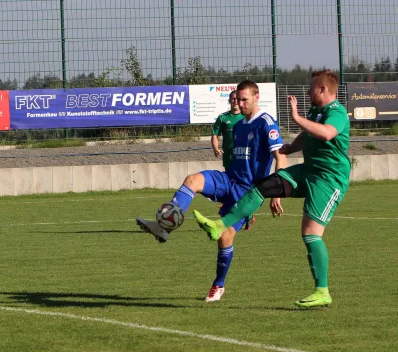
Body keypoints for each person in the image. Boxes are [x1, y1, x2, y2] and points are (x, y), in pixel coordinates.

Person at [193, 70, 350, 308]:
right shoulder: (316, 112)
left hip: (329, 180)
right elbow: (307, 135)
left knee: (310, 234)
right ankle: (220, 225)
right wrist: (288, 148)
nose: (308, 91)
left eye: (311, 88)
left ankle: (322, 290)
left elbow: (327, 134)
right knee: (263, 187)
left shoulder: (337, 113)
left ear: (322, 89)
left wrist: (296, 117)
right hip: (308, 171)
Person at [136, 80, 286, 302]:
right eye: (238, 99)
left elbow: (280, 157)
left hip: (247, 192)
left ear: (256, 97)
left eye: (245, 99)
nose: (240, 103)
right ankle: (163, 227)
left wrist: (275, 193)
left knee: (225, 237)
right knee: (192, 180)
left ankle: (219, 285)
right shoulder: (238, 126)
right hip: (228, 179)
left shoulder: (266, 123)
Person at [211, 90, 256, 231]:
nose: (235, 101)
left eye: (237, 99)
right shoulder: (223, 118)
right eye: (232, 99)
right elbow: (214, 134)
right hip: (229, 159)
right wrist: (216, 148)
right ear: (229, 101)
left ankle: (236, 211)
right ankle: (245, 215)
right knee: (232, 185)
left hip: (244, 159)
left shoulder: (246, 117)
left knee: (242, 186)